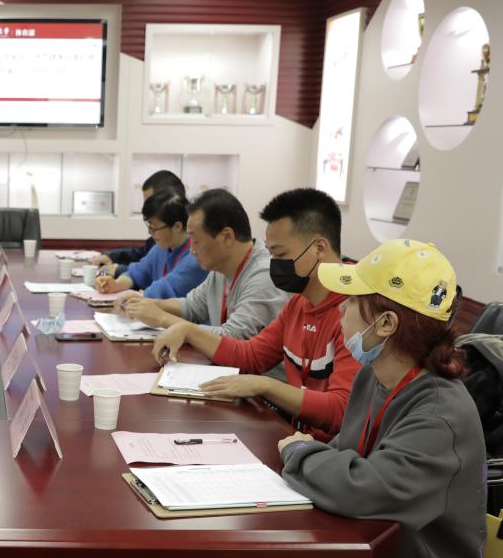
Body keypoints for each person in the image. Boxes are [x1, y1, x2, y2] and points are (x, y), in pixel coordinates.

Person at [208, 239, 485, 558]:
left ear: (387, 323)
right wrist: (317, 458)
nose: (340, 310)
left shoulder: (439, 415)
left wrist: (300, 454)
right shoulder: (374, 378)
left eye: (352, 301)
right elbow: (343, 454)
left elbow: (362, 488)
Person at [150, 188, 360, 441]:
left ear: (319, 248)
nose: (273, 264)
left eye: (281, 254)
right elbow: (251, 355)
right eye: (271, 254)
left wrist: (266, 385)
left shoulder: (356, 311)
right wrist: (188, 330)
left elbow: (341, 410)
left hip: (327, 452)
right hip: (295, 440)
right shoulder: (298, 303)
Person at [112, 188, 287, 340]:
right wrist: (149, 304)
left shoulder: (265, 275)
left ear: (226, 237)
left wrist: (161, 318)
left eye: (196, 241)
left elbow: (234, 337)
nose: (192, 251)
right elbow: (191, 306)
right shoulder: (220, 269)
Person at [94, 189, 207, 298]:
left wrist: (142, 295)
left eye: (154, 228)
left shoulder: (196, 256)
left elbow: (165, 290)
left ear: (177, 226)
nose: (149, 232)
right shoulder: (161, 248)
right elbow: (137, 273)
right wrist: (116, 284)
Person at [91, 170, 186, 277]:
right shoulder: (161, 240)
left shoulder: (188, 250)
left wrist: (117, 270)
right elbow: (141, 256)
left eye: (149, 203)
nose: (146, 209)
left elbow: (155, 277)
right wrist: (110, 256)